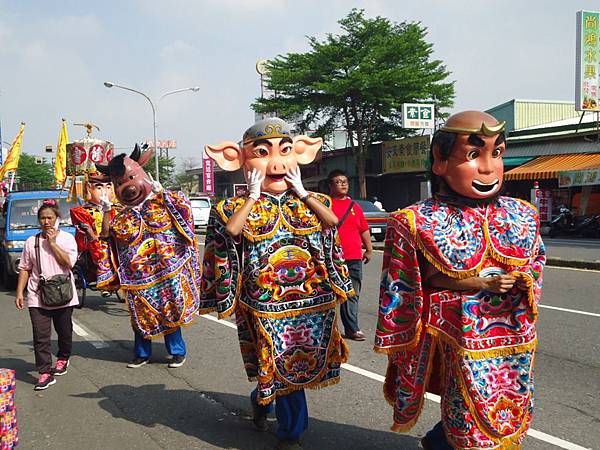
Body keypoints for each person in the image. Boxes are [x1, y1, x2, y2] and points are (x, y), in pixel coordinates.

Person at [375, 111, 545, 449]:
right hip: (458, 334)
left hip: (512, 333)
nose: (488, 167)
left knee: (508, 400)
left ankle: (439, 441)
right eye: (473, 154)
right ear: (440, 160)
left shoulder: (522, 214)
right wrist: (477, 284)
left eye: (496, 153)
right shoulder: (416, 220)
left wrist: (522, 280)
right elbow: (406, 285)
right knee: (465, 409)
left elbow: (537, 260)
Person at [202, 118, 354, 450]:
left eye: (285, 151)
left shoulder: (315, 201)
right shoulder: (230, 208)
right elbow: (230, 233)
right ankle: (289, 432)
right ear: (238, 160)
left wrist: (301, 192)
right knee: (278, 365)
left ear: (299, 155)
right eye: (262, 152)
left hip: (312, 302)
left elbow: (332, 223)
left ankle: (268, 408)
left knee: (294, 367)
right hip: (263, 305)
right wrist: (253, 197)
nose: (277, 162)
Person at [95, 145, 207, 369]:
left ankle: (176, 352)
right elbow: (107, 237)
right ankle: (141, 353)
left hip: (169, 272)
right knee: (141, 315)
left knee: (171, 310)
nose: (126, 187)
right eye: (119, 184)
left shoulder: (164, 202)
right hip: (139, 278)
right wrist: (107, 210)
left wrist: (163, 194)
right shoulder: (123, 216)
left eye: (130, 178)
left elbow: (186, 219)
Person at [15, 199, 79, 390]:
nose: (46, 222)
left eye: (50, 218)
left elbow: (69, 263)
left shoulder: (67, 239)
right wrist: (20, 292)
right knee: (40, 336)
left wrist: (52, 243)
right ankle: (44, 372)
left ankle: (63, 357)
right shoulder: (31, 242)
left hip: (63, 294)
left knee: (64, 332)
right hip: (38, 295)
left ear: (57, 218)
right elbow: (25, 268)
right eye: (42, 218)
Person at [328, 170, 372, 341]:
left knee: (352, 293)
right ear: (331, 186)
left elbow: (364, 229)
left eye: (345, 181)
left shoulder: (354, 206)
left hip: (353, 256)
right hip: (331, 257)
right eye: (338, 182)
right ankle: (329, 329)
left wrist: (368, 249)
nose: (343, 184)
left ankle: (352, 328)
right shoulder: (325, 204)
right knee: (329, 294)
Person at [69, 171, 116, 297]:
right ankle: (104, 281)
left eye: (108, 187)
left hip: (113, 240)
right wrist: (92, 234)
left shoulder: (117, 209)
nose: (104, 192)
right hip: (93, 242)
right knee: (101, 252)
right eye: (99, 188)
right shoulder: (80, 211)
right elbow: (85, 229)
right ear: (89, 188)